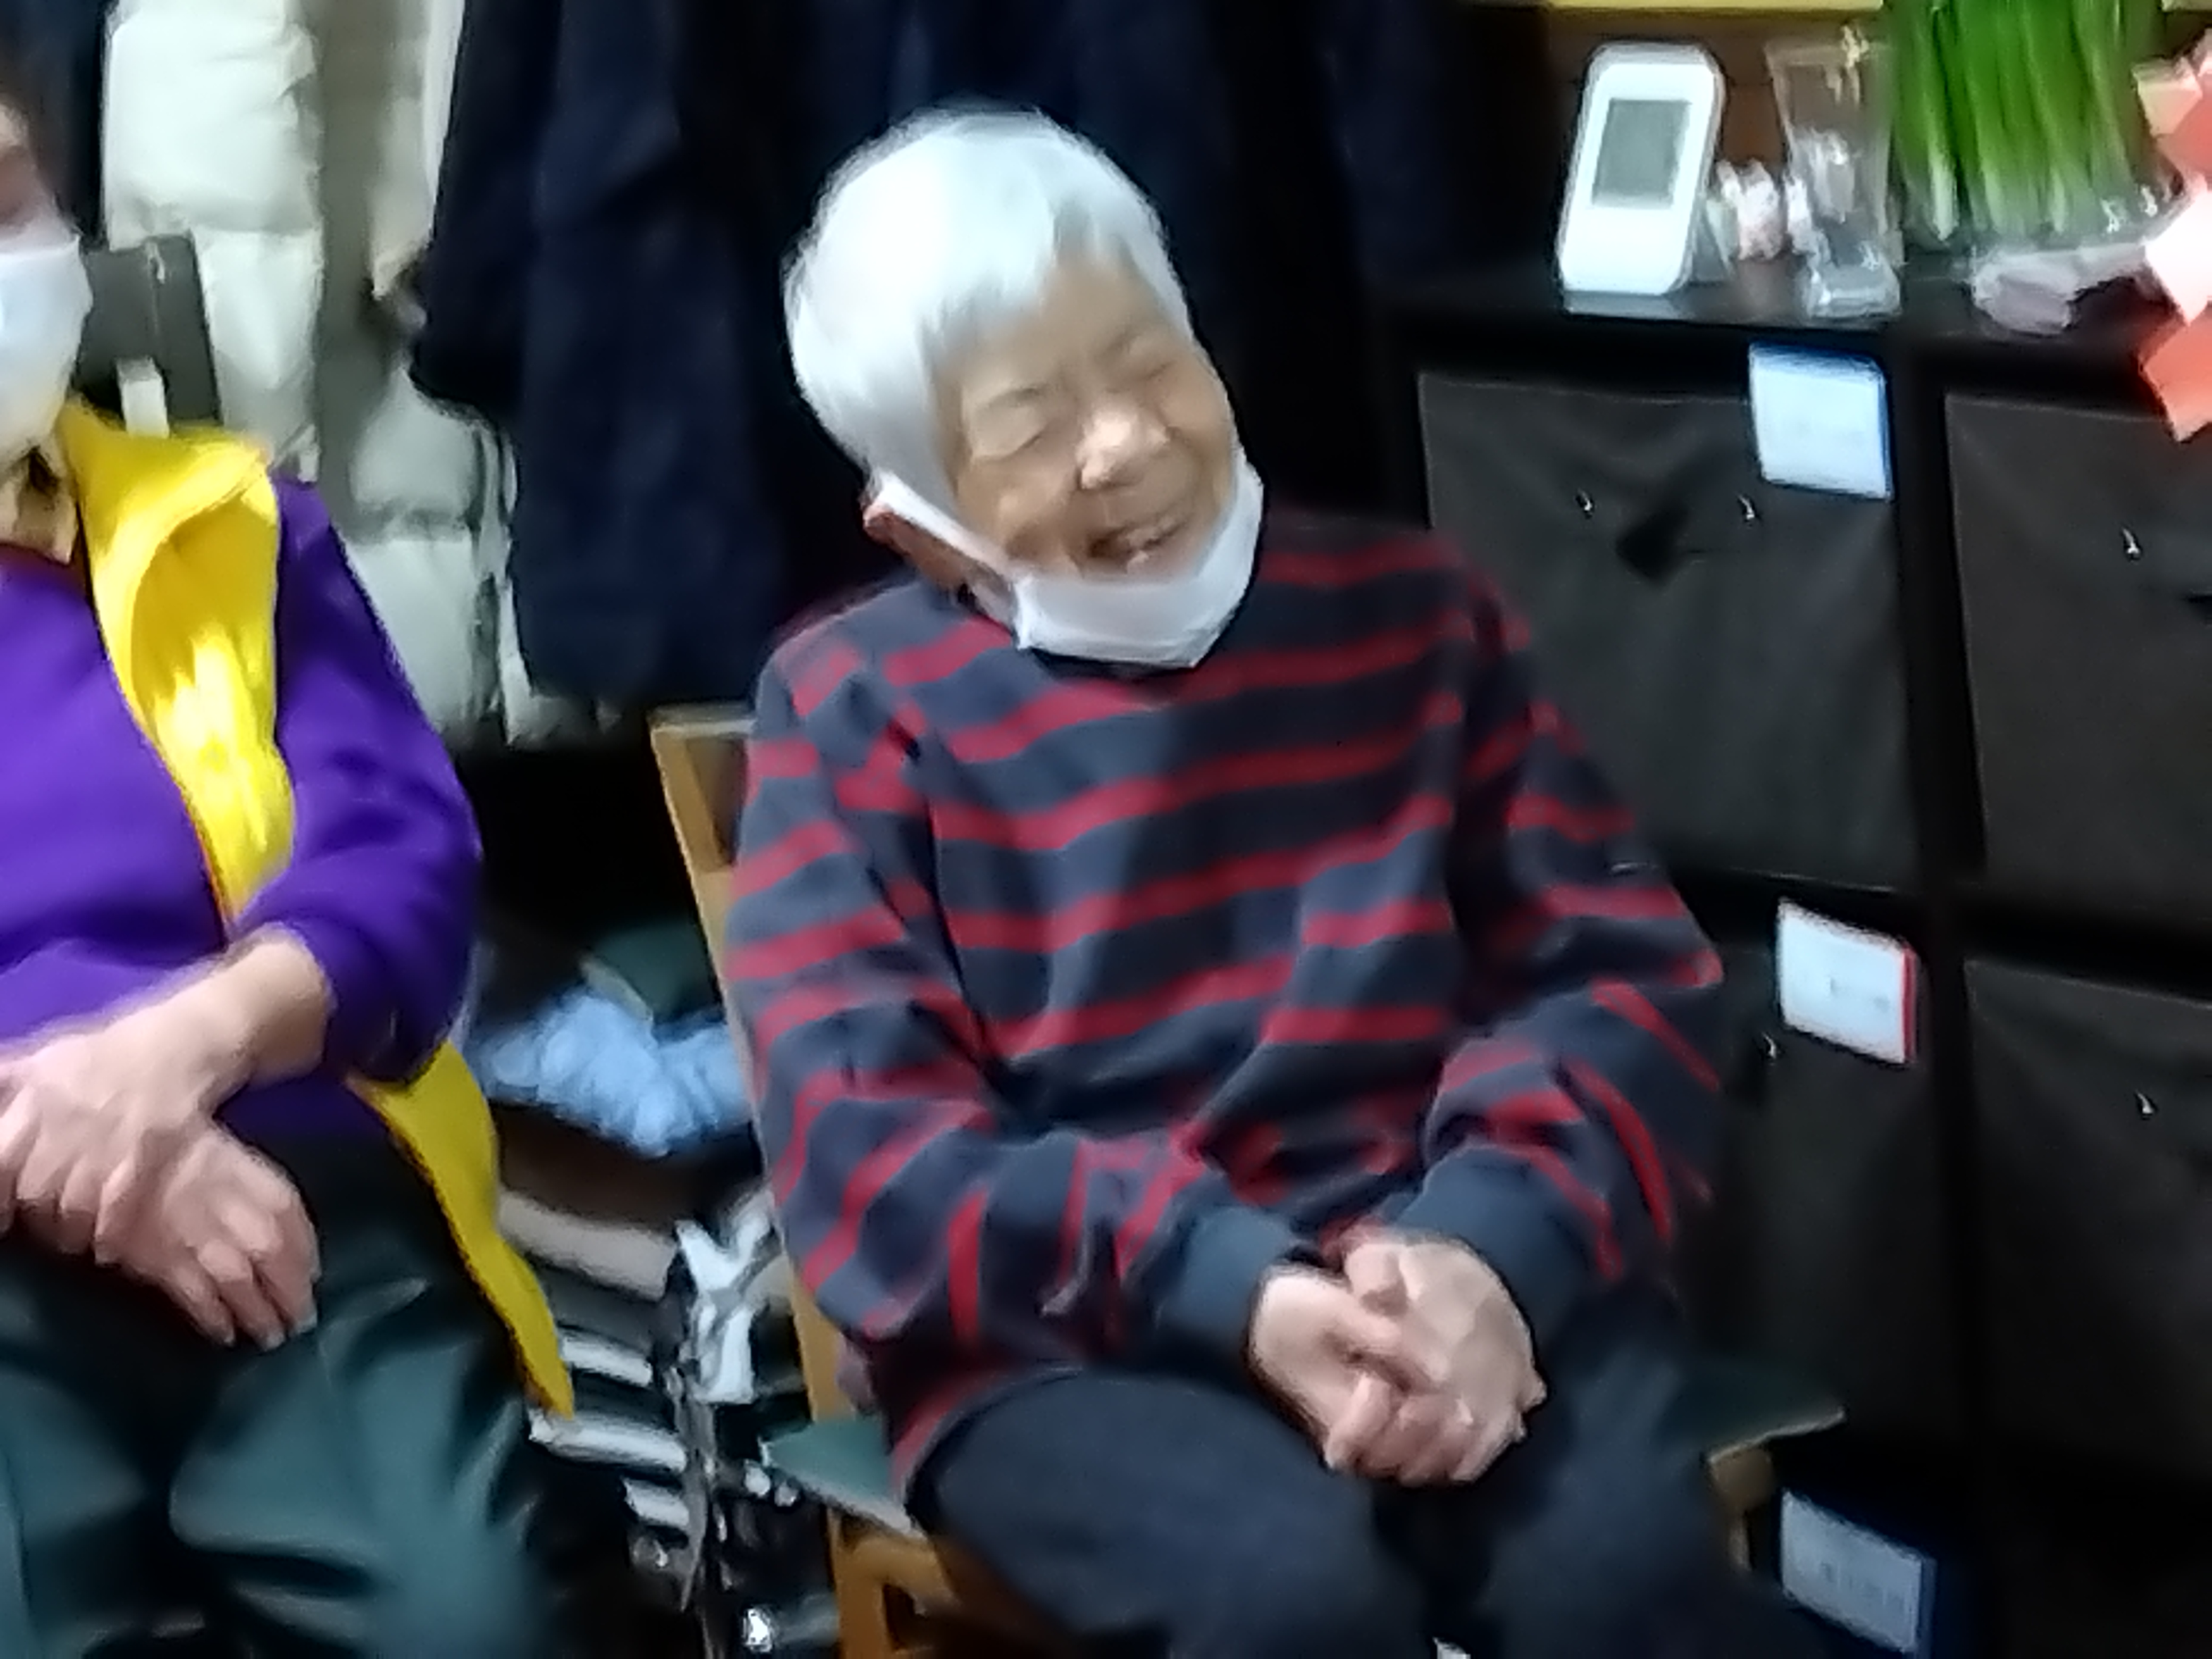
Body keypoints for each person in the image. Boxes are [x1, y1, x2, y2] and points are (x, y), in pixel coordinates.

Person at [729, 110, 1823, 1658]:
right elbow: (869, 1158)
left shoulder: (1415, 617)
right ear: (921, 530)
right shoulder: (851, 716)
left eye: (1150, 362)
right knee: (1297, 1607)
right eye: (1032, 426)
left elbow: (1619, 980)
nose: (1126, 442)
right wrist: (1228, 1288)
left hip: (1453, 1269)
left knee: (1621, 1587)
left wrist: (1489, 1251)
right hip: (1070, 1346)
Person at [0, 88, 592, 1656]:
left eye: (8, 202)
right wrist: (71, 1147)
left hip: (285, 1193)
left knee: (476, 1628)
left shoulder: (235, 521)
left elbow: (402, 865)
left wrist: (170, 1058)